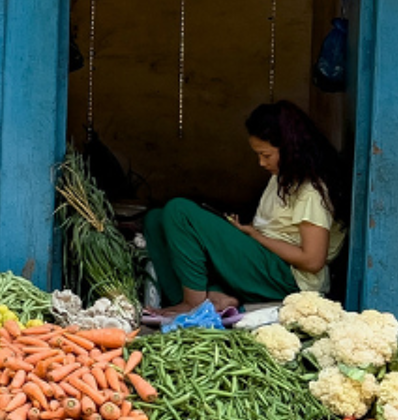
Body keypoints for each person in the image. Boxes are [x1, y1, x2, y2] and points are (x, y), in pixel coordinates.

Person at [145, 101, 349, 313]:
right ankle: (206, 297)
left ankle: (193, 303)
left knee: (179, 211)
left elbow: (313, 260)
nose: (261, 162)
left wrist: (257, 237)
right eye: (258, 155)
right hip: (265, 260)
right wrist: (243, 231)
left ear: (290, 149)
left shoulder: (311, 191)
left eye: (266, 155)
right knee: (156, 219)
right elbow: (275, 227)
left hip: (288, 278)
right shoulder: (282, 177)